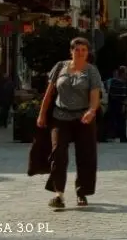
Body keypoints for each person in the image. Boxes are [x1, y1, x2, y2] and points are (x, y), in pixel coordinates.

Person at [37, 37, 103, 210]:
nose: (80, 53)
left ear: (88, 53)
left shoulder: (91, 71)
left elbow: (95, 96)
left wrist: (91, 111)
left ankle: (82, 192)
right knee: (58, 153)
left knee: (86, 156)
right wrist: (42, 114)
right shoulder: (60, 67)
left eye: (84, 50)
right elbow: (49, 93)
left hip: (83, 118)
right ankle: (59, 194)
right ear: (71, 51)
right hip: (60, 116)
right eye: (77, 49)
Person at [107, 66, 127, 143]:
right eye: (126, 73)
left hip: (113, 103)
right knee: (122, 121)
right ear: (123, 73)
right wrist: (124, 105)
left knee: (113, 120)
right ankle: (123, 137)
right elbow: (124, 95)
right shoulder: (123, 82)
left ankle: (112, 136)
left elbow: (111, 93)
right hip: (120, 104)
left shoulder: (113, 81)